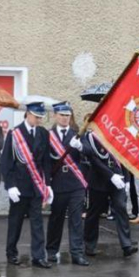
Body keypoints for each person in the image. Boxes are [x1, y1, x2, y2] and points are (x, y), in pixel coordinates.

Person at [1, 103, 54, 268]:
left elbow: (46, 161)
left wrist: (48, 184)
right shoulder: (15, 134)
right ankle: (11, 253)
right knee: (15, 222)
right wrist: (10, 185)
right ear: (27, 115)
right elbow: (6, 161)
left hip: (36, 186)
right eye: (36, 117)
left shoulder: (43, 133)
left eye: (40, 117)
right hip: (19, 186)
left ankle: (38, 257)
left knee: (37, 223)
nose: (39, 120)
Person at [82, 124, 138, 258]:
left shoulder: (116, 135)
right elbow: (93, 160)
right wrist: (110, 176)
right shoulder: (89, 137)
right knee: (94, 212)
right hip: (99, 180)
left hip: (118, 178)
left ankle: (126, 245)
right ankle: (89, 245)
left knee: (121, 208)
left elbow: (123, 158)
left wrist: (127, 179)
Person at [45, 102, 89, 266]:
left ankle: (77, 253)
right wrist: (46, 183)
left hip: (75, 183)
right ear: (56, 116)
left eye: (67, 115)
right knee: (56, 218)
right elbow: (45, 160)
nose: (65, 118)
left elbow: (89, 152)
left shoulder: (77, 134)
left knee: (76, 219)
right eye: (62, 115)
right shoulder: (48, 135)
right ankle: (51, 251)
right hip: (57, 183)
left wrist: (81, 147)